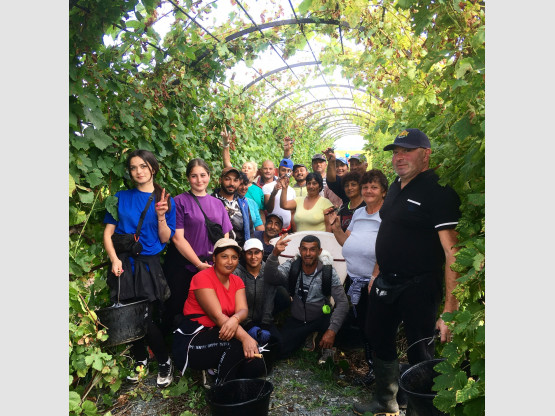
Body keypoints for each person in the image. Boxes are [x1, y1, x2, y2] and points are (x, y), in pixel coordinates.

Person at [353, 129, 461, 416]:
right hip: (386, 281)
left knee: (419, 351)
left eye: (407, 150)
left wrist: (450, 308)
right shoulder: (397, 188)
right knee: (377, 335)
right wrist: (377, 273)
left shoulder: (439, 190)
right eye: (395, 152)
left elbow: (453, 252)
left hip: (420, 286)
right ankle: (385, 401)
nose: (399, 157)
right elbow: (389, 234)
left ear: (425, 154)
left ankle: (419, 409)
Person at [103, 149, 177, 388]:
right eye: (134, 167)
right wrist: (114, 259)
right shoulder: (120, 197)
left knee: (145, 318)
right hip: (123, 262)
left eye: (143, 166)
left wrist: (162, 216)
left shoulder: (165, 199)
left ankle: (165, 361)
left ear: (153, 168)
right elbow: (108, 233)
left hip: (149, 263)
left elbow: (165, 239)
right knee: (126, 312)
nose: (138, 172)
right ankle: (141, 359)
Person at [172, 238, 264, 386]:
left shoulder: (236, 281)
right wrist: (246, 338)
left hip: (222, 330)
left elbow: (243, 310)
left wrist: (234, 319)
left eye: (234, 257)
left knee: (256, 363)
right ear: (214, 258)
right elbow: (217, 316)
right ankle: (222, 388)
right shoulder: (202, 278)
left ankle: (221, 370)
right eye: (224, 256)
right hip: (194, 338)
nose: (230, 261)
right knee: (238, 345)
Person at [328, 169, 389, 387]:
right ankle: (373, 368)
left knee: (376, 327)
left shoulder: (388, 214)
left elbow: (387, 250)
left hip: (375, 282)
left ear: (383, 191)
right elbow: (346, 242)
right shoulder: (360, 213)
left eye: (374, 187)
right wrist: (335, 228)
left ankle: (383, 375)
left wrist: (374, 276)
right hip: (356, 281)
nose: (368, 190)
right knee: (364, 325)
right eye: (366, 187)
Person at [162, 158, 232, 332]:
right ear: (188, 178)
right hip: (184, 265)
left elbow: (225, 236)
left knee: (208, 308)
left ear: (209, 176)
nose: (199, 180)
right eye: (194, 176)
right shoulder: (179, 201)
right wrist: (198, 264)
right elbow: (178, 238)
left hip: (211, 265)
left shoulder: (218, 204)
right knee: (178, 306)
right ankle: (176, 343)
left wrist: (220, 262)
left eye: (203, 175)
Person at [264, 234, 349, 364]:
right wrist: (274, 254)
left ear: (319, 251)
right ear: (299, 250)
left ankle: (328, 347)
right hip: (297, 320)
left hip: (320, 317)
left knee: (339, 326)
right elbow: (271, 278)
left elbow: (342, 303)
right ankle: (307, 337)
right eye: (304, 249)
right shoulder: (293, 266)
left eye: (312, 249)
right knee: (279, 351)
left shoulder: (328, 272)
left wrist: (331, 331)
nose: (308, 253)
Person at [233, 238, 283, 354]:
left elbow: (270, 299)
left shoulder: (268, 271)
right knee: (242, 347)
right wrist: (248, 325)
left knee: (278, 346)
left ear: (262, 253)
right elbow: (236, 303)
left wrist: (265, 325)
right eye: (249, 253)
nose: (253, 257)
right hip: (243, 321)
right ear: (244, 255)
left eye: (257, 252)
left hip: (263, 320)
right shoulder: (237, 273)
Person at [221, 127, 266, 223]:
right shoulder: (235, 184)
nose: (245, 169)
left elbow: (261, 212)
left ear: (254, 173)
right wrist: (226, 145)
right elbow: (227, 163)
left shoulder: (258, 191)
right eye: (244, 167)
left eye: (249, 168)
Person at [212, 166, 255, 248]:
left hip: (240, 253)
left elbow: (250, 229)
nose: (231, 183)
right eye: (227, 179)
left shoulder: (243, 202)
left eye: (235, 180)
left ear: (239, 182)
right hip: (219, 251)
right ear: (220, 180)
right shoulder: (212, 201)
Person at [263, 158, 297, 233]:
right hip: (272, 230)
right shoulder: (268, 187)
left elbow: (292, 213)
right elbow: (269, 209)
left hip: (287, 230)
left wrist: (294, 232)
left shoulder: (292, 190)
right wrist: (274, 192)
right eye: (283, 170)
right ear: (278, 171)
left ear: (291, 173)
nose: (286, 173)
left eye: (289, 171)